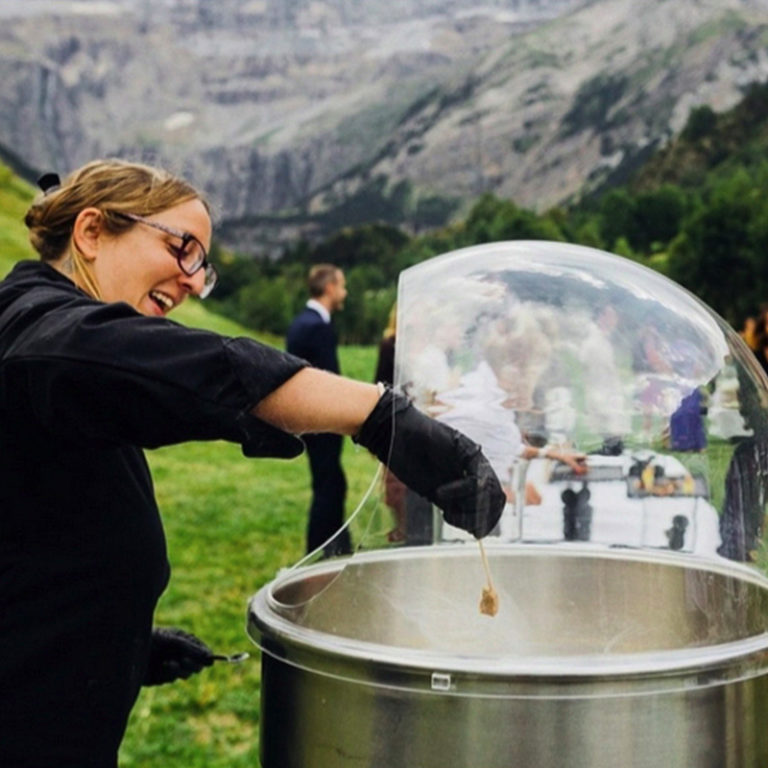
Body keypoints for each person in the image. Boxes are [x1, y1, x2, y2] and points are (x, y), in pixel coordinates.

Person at [0, 159, 505, 768]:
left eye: (201, 267)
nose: (190, 281)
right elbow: (163, 365)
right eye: (182, 248)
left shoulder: (56, 345)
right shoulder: (33, 327)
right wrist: (379, 417)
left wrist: (117, 640)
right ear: (91, 232)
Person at [285, 263, 350, 555]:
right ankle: (324, 549)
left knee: (331, 483)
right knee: (329, 486)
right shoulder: (317, 327)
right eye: (342, 285)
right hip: (322, 422)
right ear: (330, 288)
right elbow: (329, 380)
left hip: (308, 421)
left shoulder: (302, 323)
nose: (345, 292)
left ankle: (336, 545)